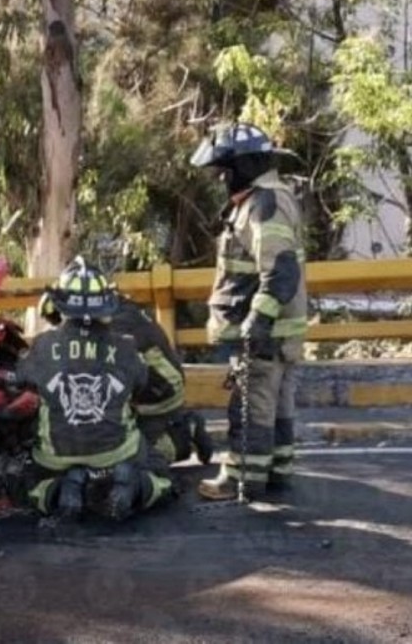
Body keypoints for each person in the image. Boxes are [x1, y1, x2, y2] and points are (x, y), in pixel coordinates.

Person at [189, 122, 307, 501]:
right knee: (275, 407)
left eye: (225, 169)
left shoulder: (263, 204)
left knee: (251, 407)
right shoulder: (269, 197)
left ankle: (242, 479)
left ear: (246, 165)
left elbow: (280, 269)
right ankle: (276, 471)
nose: (222, 178)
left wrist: (258, 321)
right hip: (280, 332)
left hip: (264, 334)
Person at [18, 257, 176, 521]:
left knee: (27, 485)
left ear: (58, 304)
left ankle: (62, 489)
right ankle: (133, 486)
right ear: (108, 304)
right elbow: (142, 384)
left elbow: (21, 379)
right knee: (163, 476)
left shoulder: (41, 346)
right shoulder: (126, 347)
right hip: (118, 454)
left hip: (56, 458)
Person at [38, 287, 214, 466]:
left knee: (124, 457)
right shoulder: (109, 306)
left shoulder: (108, 325)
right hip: (152, 383)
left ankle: (183, 435)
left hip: (158, 393)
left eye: (57, 320)